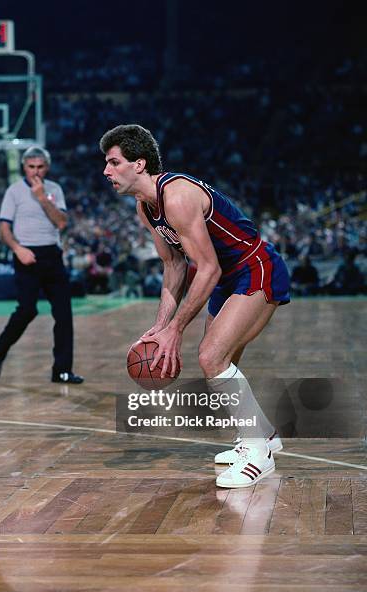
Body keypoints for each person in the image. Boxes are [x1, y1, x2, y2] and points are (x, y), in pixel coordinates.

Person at [100, 124, 290, 488]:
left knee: (211, 357)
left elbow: (208, 267)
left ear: (139, 164)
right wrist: (160, 326)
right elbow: (174, 265)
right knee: (222, 363)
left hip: (254, 267)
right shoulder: (146, 207)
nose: (106, 171)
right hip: (224, 277)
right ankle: (262, 435)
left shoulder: (177, 196)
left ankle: (258, 453)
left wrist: (176, 330)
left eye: (113, 162)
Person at [0, 146, 83, 384]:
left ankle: (61, 370)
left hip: (52, 255)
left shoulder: (54, 190)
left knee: (63, 314)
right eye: (31, 167)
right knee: (27, 310)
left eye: (40, 167)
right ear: (24, 167)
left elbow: (61, 223)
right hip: (25, 255)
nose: (35, 172)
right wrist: (18, 249)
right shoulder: (14, 191)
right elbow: (3, 228)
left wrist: (42, 198)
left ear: (47, 167)